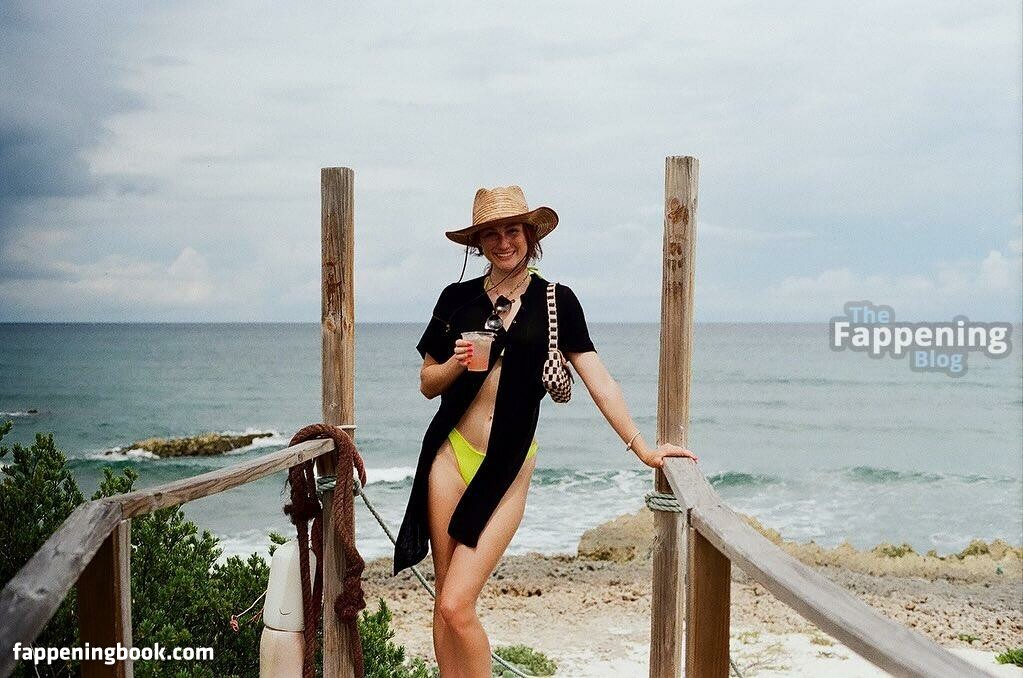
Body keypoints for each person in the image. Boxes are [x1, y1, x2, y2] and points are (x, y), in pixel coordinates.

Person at [393, 185, 698, 677]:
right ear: (478, 243)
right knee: (445, 602)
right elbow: (428, 383)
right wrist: (456, 363)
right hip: (449, 454)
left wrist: (642, 447)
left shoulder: (556, 300)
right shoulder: (457, 299)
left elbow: (599, 381)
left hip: (509, 464)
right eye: (491, 234)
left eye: (512, 231)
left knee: (456, 604)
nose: (503, 242)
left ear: (530, 235)